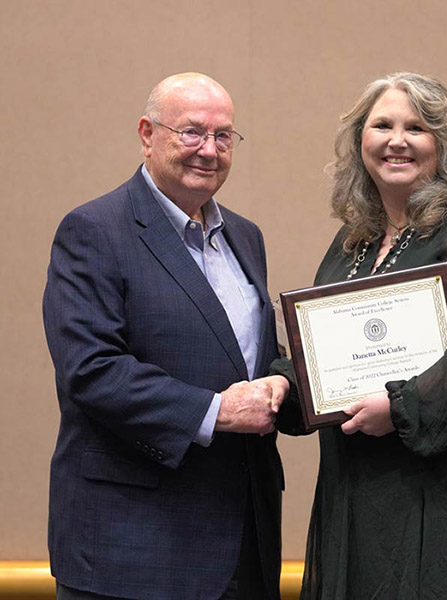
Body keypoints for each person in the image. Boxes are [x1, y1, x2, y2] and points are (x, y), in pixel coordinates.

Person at [272, 72, 447, 599]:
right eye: (382, 125)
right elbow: (327, 350)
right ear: (360, 142)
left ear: (443, 143)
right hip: (363, 484)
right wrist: (285, 384)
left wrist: (402, 407)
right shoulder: (352, 242)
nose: (397, 140)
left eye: (416, 127)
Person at [43, 73, 288, 600]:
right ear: (147, 134)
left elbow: (254, 358)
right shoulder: (94, 230)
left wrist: (285, 382)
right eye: (192, 132)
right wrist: (217, 412)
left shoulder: (245, 237)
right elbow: (92, 371)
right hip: (134, 549)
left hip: (244, 543)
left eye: (224, 136)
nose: (209, 150)